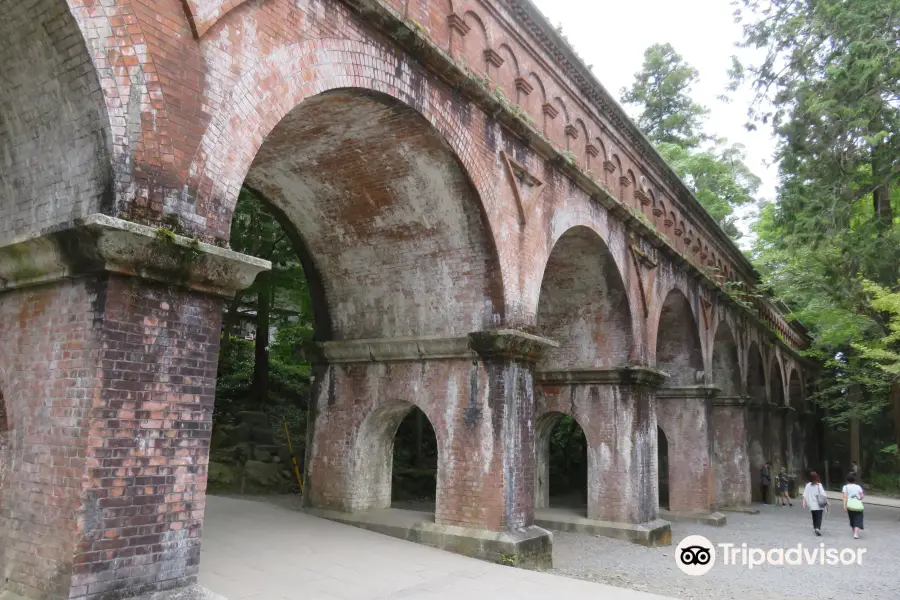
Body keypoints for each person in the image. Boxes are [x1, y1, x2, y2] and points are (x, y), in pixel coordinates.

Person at [802, 471, 827, 536]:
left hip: (811, 504)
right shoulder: (819, 485)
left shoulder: (808, 485)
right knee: (819, 517)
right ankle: (817, 528)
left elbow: (805, 494)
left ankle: (815, 527)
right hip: (819, 504)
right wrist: (826, 501)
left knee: (814, 516)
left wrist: (804, 502)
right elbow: (823, 494)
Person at [842, 473, 865, 539]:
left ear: (847, 480)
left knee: (852, 519)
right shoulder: (858, 487)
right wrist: (859, 499)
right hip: (858, 505)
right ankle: (856, 533)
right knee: (858, 518)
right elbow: (862, 496)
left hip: (850, 505)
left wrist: (844, 506)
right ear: (854, 480)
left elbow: (845, 497)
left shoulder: (845, 487)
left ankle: (854, 532)